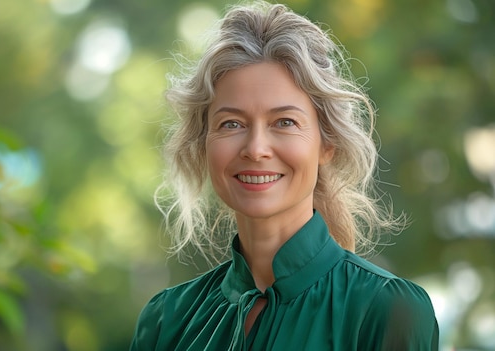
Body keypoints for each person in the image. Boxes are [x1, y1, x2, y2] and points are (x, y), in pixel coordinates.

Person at [131, 1, 439, 350]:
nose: (256, 148)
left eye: (285, 122)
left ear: (327, 145)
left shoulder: (388, 309)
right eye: (231, 123)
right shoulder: (166, 320)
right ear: (203, 144)